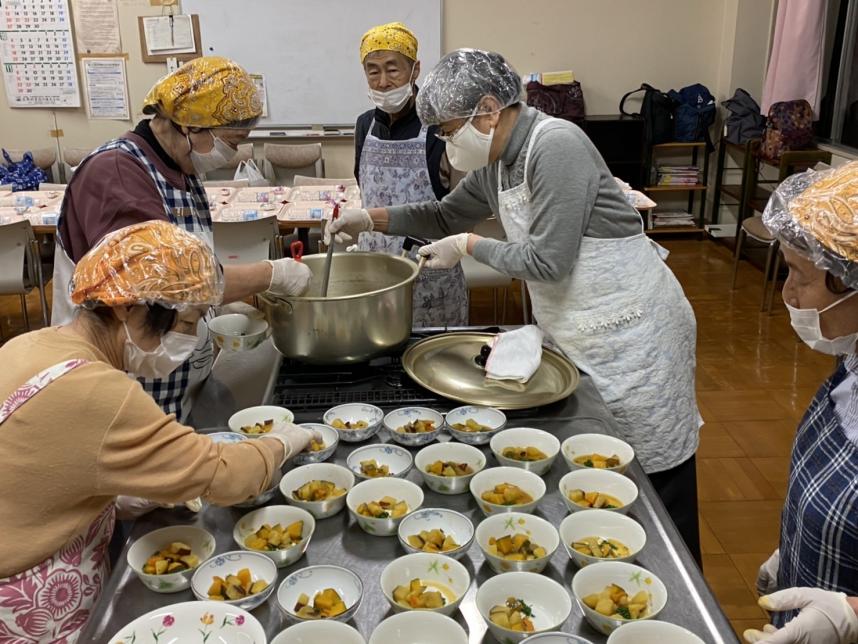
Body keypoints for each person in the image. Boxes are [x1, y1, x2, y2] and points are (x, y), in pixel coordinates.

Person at [327, 49, 703, 562]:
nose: (442, 141)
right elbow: (442, 214)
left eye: (446, 128)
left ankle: (679, 598)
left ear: (487, 110)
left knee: (654, 475)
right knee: (598, 474)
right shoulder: (500, 162)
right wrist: (367, 219)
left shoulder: (557, 146)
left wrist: (468, 246)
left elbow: (547, 261)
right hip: (578, 327)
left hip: (636, 334)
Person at [0, 221, 318, 642]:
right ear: (125, 308)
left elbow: (39, 468)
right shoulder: (96, 391)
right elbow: (227, 475)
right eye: (185, 323)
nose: (188, 338)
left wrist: (110, 496)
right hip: (32, 601)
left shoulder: (30, 344)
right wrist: (285, 441)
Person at [52, 56, 312, 422]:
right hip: (124, 384)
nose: (234, 153)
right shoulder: (117, 174)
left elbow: (193, 265)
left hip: (170, 373)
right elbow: (159, 285)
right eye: (232, 141)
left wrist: (226, 303)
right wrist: (272, 274)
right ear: (192, 126)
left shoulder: (181, 168)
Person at [742, 162, 858, 644]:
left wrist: (850, 615)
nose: (786, 292)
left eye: (798, 275)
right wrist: (797, 550)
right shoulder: (850, 367)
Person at [353, 22, 468, 327]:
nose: (383, 81)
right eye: (372, 70)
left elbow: (453, 208)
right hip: (377, 274)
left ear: (415, 70)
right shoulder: (364, 126)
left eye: (393, 69)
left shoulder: (439, 128)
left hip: (429, 275)